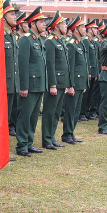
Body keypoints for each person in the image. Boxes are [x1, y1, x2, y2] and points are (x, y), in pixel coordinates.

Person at [15, 7, 48, 156]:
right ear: (33, 24)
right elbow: (23, 65)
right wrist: (23, 86)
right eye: (41, 22)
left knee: (34, 116)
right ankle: (21, 145)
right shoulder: (25, 39)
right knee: (25, 116)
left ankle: (29, 142)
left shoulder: (38, 40)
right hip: (29, 85)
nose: (44, 24)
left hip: (39, 85)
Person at [42, 11, 69, 149]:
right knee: (49, 112)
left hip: (61, 83)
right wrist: (52, 84)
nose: (66, 26)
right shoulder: (50, 41)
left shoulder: (61, 41)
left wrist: (66, 84)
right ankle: (46, 139)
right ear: (57, 26)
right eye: (64, 23)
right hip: (54, 83)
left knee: (57, 112)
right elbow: (50, 65)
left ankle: (52, 137)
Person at [62, 15, 88, 144]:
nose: (85, 29)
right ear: (76, 29)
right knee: (71, 110)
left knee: (76, 110)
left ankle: (71, 133)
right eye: (83, 27)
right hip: (74, 83)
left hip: (80, 82)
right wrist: (70, 85)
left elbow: (82, 66)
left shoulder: (80, 43)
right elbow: (70, 67)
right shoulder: (71, 44)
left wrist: (84, 84)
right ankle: (66, 134)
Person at [1, 0, 20, 152]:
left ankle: (2, 151)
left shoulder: (12, 36)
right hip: (1, 86)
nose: (15, 17)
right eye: (12, 14)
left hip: (11, 85)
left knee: (5, 120)